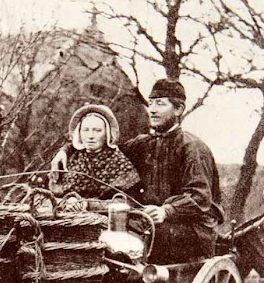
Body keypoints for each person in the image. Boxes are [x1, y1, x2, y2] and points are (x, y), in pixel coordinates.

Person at [51, 79, 224, 263]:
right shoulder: (143, 143)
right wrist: (65, 150)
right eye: (151, 103)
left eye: (160, 103)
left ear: (179, 109)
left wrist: (168, 210)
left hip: (191, 229)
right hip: (149, 220)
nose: (152, 110)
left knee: (126, 240)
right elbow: (106, 147)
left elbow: (200, 197)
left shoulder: (192, 147)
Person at [49, 103, 142, 208]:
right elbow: (53, 196)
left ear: (107, 133)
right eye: (85, 130)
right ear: (79, 133)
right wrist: (67, 202)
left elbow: (127, 202)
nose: (90, 136)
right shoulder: (71, 158)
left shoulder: (118, 161)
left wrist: (89, 205)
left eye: (97, 131)